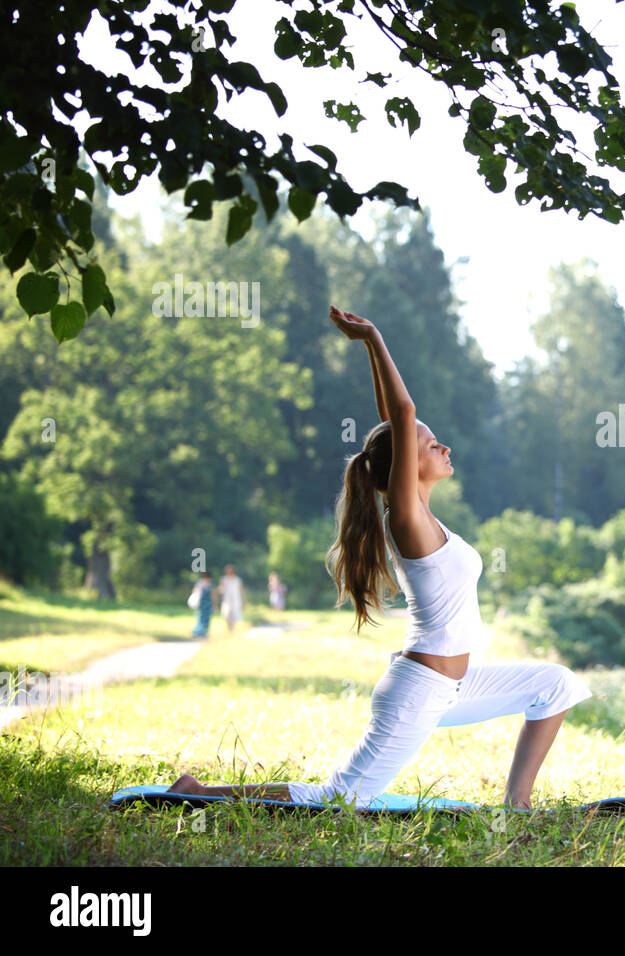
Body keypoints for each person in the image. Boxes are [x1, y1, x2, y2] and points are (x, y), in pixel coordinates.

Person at [169, 305, 592, 811]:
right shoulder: (405, 519)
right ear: (407, 466)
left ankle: (516, 802)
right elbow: (402, 418)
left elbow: (395, 424)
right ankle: (199, 795)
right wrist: (373, 339)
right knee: (340, 798)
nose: (445, 448)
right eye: (433, 445)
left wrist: (379, 369)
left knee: (556, 683)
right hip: (420, 688)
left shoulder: (425, 520)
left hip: (453, 686)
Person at [217, 564, 244, 634]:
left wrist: (244, 601)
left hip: (236, 600)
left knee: (234, 615)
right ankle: (229, 628)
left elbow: (241, 591)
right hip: (226, 600)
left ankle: (231, 630)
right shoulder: (223, 579)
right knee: (226, 615)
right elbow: (221, 589)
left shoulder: (238, 580)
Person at [189, 572, 214, 638]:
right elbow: (213, 595)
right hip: (202, 604)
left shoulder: (202, 583)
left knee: (203, 618)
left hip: (206, 605)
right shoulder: (206, 584)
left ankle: (202, 632)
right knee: (201, 618)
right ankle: (199, 632)